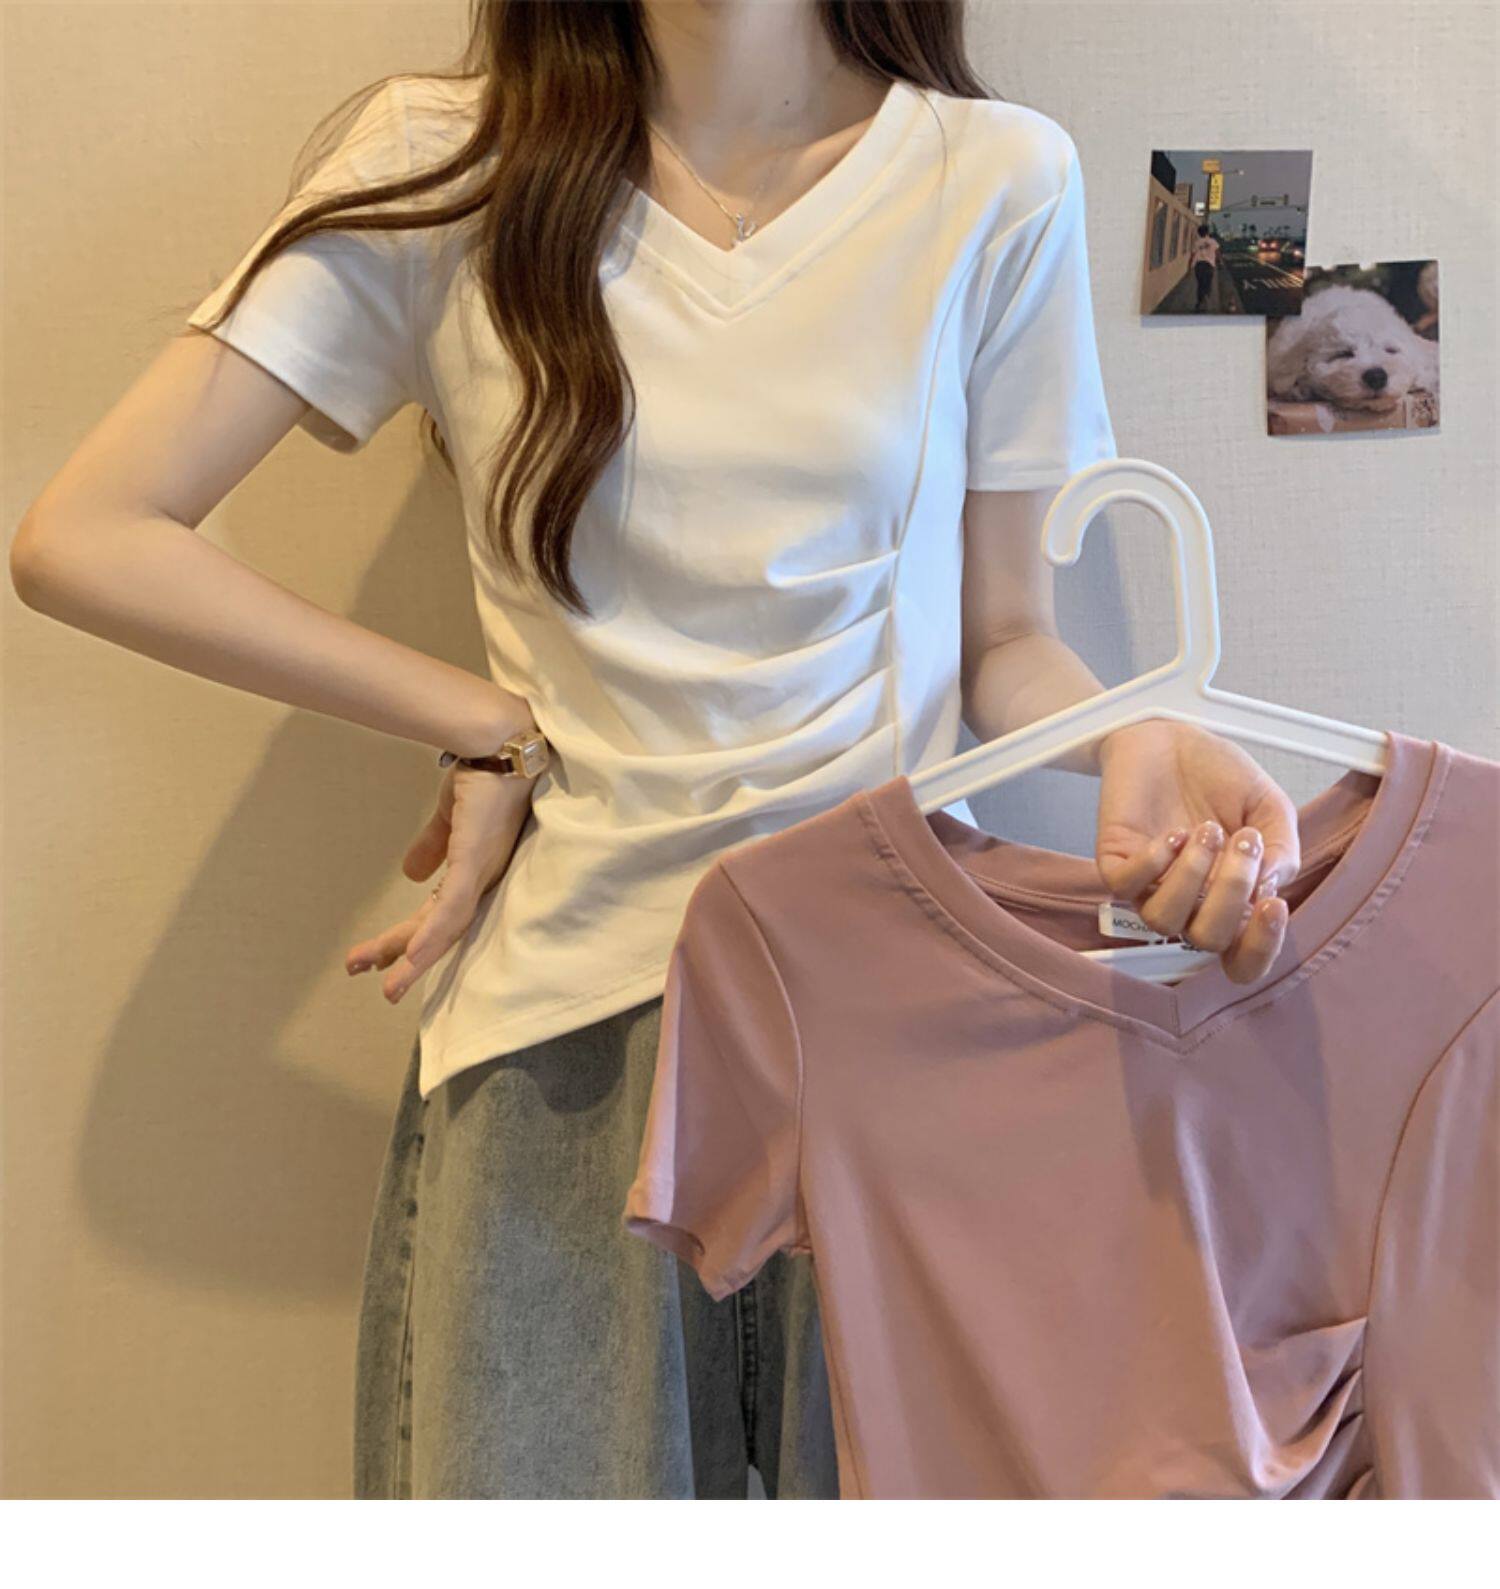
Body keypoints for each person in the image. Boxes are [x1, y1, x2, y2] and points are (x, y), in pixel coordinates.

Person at [9, 0, 1297, 1499]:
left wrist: (1135, 729)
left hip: (891, 1045)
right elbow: (89, 536)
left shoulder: (997, 176)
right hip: (561, 1053)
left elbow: (1003, 635)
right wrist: (487, 726)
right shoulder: (448, 162)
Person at [1192, 222, 1222, 310]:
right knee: (1208, 283)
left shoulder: (1197, 242)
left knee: (1200, 284)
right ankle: (1206, 299)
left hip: (1199, 265)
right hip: (1209, 265)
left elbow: (1193, 255)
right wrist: (1220, 262)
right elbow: (1217, 253)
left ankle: (1200, 302)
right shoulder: (1213, 242)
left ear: (1199, 233)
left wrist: (1190, 266)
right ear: (1207, 232)